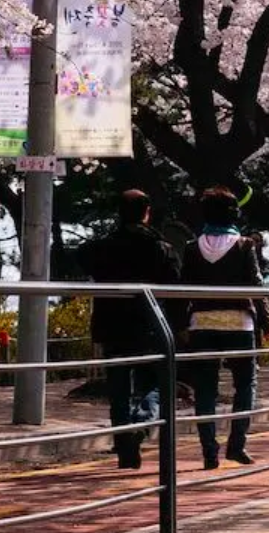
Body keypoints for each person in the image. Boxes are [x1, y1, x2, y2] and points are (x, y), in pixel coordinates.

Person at [79, 189, 181, 469]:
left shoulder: (102, 246)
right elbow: (175, 285)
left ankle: (125, 450)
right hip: (149, 326)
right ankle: (141, 423)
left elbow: (81, 257)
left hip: (111, 326)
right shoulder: (161, 247)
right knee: (157, 384)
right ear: (146, 212)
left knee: (118, 390)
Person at [181, 188, 269, 469]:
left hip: (202, 323)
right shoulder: (245, 245)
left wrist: (180, 324)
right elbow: (256, 287)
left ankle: (209, 451)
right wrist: (267, 322)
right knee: (246, 384)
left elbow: (183, 288)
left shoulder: (191, 246)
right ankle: (237, 445)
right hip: (239, 324)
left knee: (205, 389)